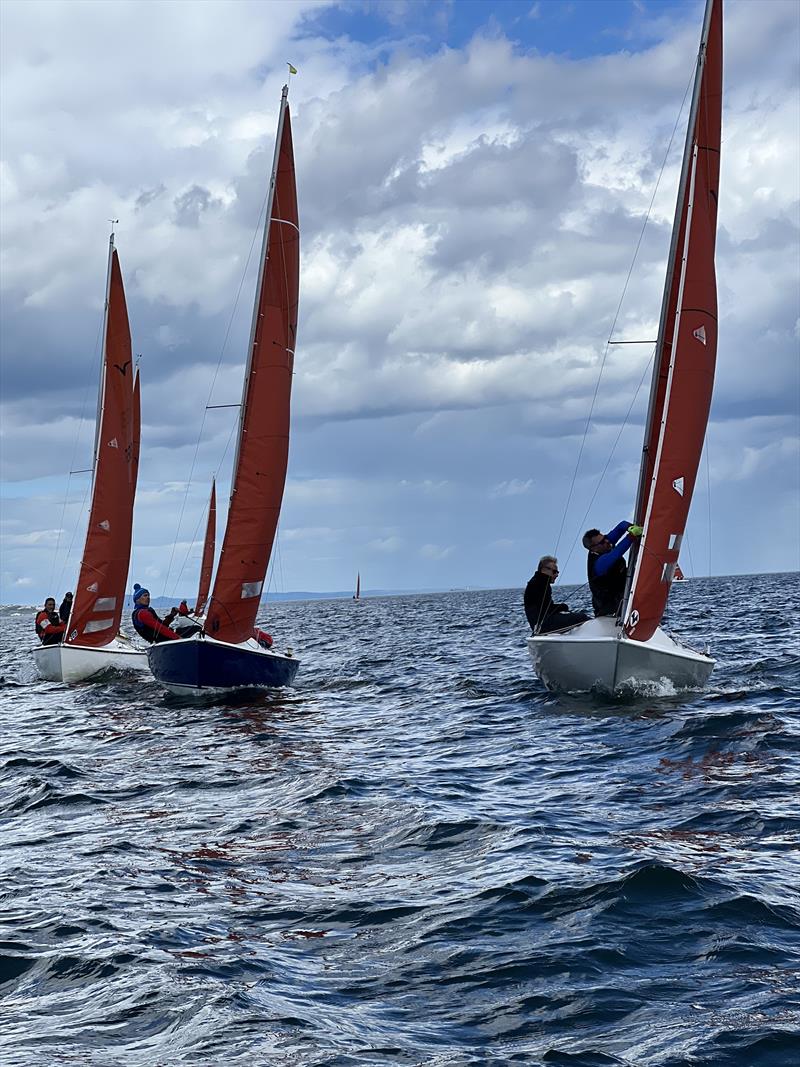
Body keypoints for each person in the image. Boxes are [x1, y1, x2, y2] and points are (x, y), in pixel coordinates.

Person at [582, 522, 643, 617]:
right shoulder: (599, 563)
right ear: (593, 549)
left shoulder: (605, 544)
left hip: (625, 593)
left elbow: (621, 526)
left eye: (604, 538)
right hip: (610, 609)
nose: (607, 541)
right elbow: (616, 552)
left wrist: (630, 527)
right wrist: (632, 536)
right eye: (602, 542)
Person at [524, 556, 589, 634]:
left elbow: (544, 607)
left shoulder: (539, 582)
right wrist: (562, 607)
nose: (557, 575)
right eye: (554, 572)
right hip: (543, 626)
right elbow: (545, 610)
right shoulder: (538, 584)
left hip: (541, 625)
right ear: (544, 570)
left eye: (557, 572)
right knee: (582, 617)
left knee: (572, 615)